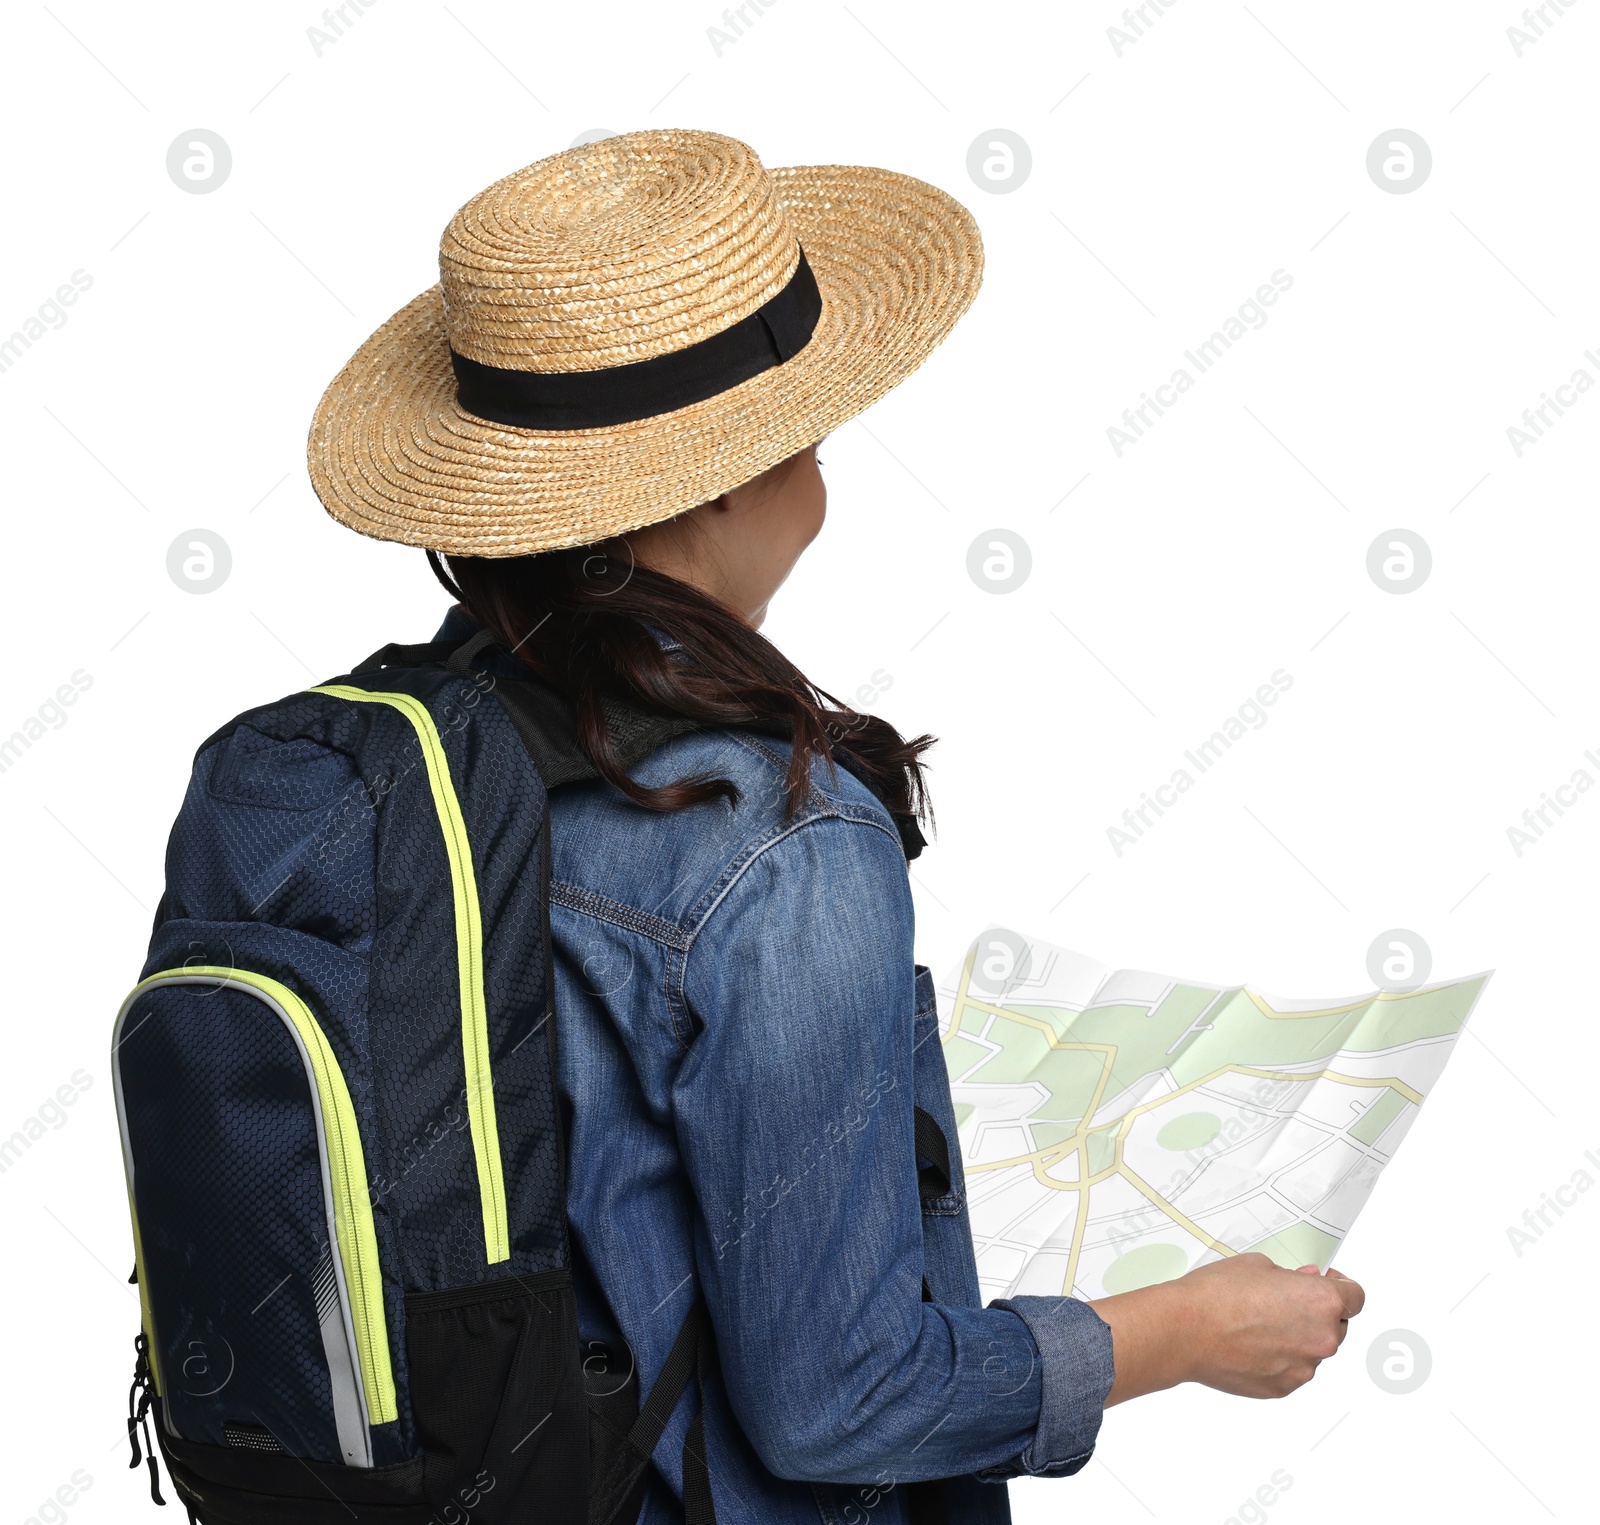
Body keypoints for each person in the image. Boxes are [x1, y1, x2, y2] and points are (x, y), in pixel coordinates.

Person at [307, 128, 1363, 1524]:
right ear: (730, 478)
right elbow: (838, 1398)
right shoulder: (779, 845)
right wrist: (1182, 1331)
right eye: (804, 423)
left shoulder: (375, 760)